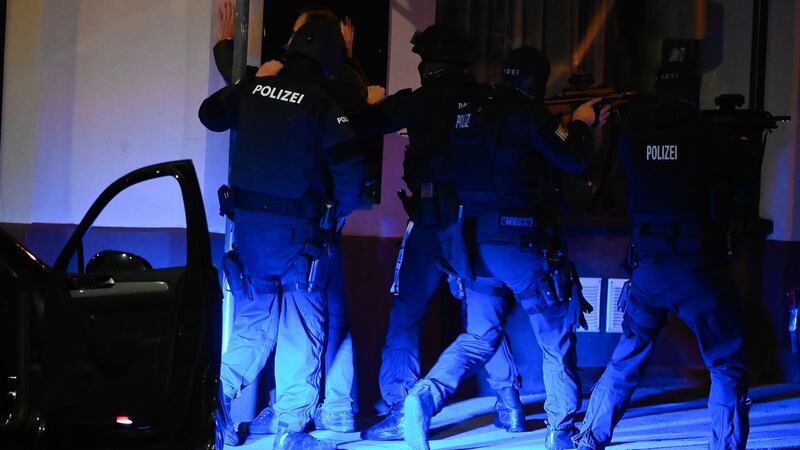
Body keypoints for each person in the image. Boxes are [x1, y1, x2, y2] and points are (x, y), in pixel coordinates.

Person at [398, 46, 610, 450]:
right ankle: (560, 430)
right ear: (538, 82)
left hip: (471, 242)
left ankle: (424, 396)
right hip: (519, 242)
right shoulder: (529, 114)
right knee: (555, 338)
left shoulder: (470, 113)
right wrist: (582, 124)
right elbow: (574, 159)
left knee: (479, 337)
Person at [212, 1, 382, 435]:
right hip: (299, 241)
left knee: (252, 327)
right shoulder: (323, 104)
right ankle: (290, 430)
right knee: (301, 332)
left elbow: (209, 114)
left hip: (249, 239)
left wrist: (252, 79)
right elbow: (350, 174)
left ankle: (212, 408)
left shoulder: (255, 89)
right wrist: (336, 214)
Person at [355, 26, 532, 442]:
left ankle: (402, 411)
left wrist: (365, 93)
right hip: (471, 222)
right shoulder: (486, 100)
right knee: (480, 318)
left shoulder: (418, 102)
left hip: (432, 223)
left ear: (431, 64)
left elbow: (362, 125)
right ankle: (509, 403)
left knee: (407, 315)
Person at [573, 62, 750, 450]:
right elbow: (742, 188)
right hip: (699, 268)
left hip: (649, 267)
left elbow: (620, 184)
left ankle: (589, 438)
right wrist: (740, 140)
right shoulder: (706, 131)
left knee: (628, 355)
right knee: (726, 363)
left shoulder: (634, 131)